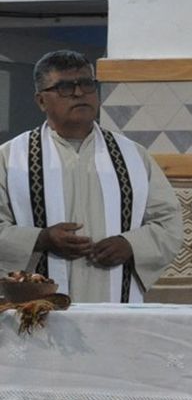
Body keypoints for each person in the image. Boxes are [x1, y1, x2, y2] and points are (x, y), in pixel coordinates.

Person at [1, 50, 182, 301]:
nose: (78, 93)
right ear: (41, 101)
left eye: (86, 84)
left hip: (115, 300)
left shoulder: (132, 156)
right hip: (37, 307)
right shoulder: (10, 158)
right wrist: (40, 239)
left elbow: (168, 222)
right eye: (64, 87)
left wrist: (131, 245)